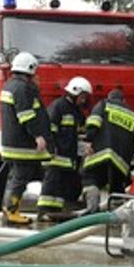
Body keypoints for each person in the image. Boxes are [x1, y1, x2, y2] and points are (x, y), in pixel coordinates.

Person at [0, 52, 52, 226]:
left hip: (13, 142)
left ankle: (9, 210)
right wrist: (38, 136)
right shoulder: (23, 89)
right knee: (20, 178)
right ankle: (11, 211)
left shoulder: (10, 86)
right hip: (22, 144)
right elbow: (27, 116)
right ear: (29, 69)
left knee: (15, 177)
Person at [80, 88, 134, 213]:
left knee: (90, 177)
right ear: (123, 100)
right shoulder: (132, 114)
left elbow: (94, 123)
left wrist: (89, 141)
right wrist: (127, 153)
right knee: (117, 186)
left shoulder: (104, 104)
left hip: (100, 154)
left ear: (110, 97)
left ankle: (92, 206)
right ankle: (116, 214)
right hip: (120, 160)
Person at [37, 76, 91, 218]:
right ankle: (43, 212)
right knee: (51, 184)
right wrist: (51, 147)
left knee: (60, 187)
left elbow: (82, 130)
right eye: (83, 96)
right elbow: (49, 128)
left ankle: (54, 213)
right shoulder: (58, 106)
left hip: (67, 157)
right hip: (56, 154)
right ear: (75, 92)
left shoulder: (76, 111)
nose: (84, 100)